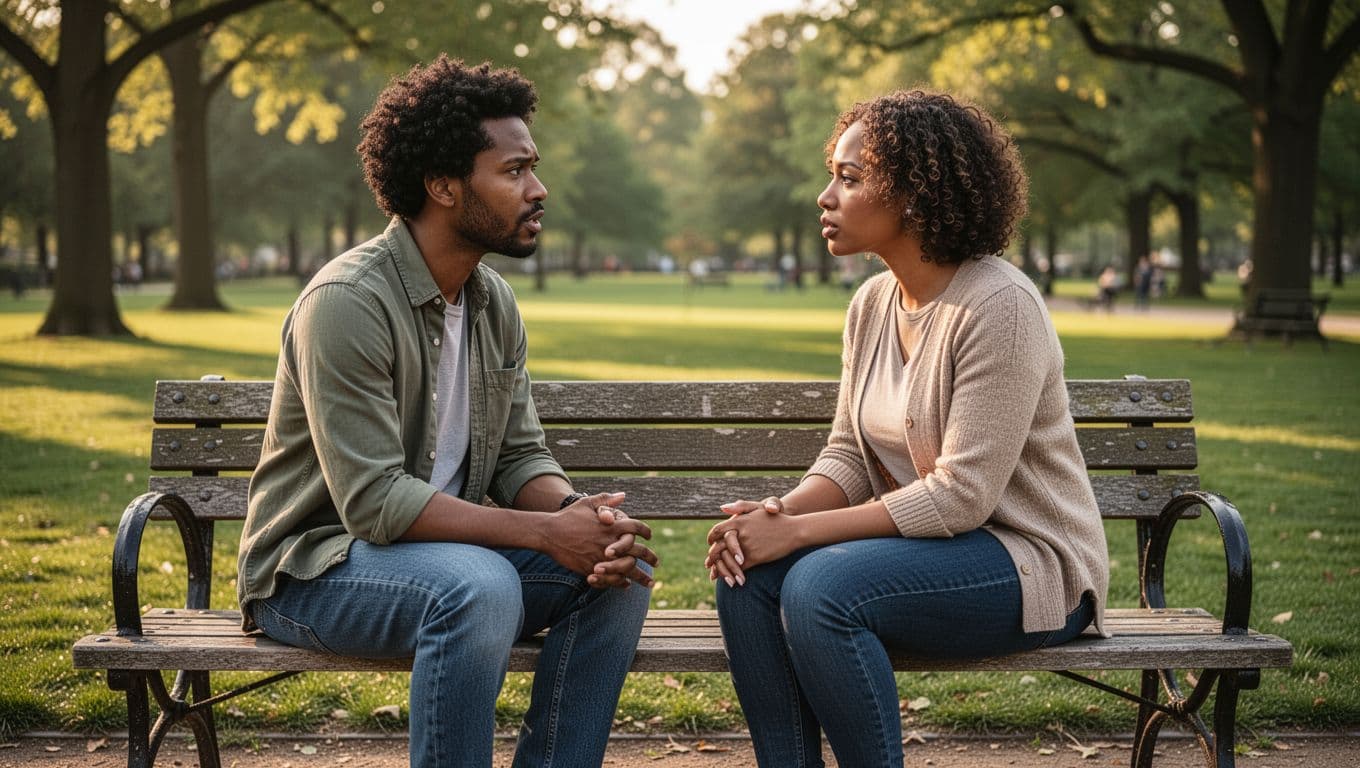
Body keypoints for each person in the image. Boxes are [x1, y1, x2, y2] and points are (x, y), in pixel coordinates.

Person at [237, 56, 657, 768]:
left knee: (618, 577)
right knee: (481, 586)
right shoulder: (347, 303)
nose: (538, 189)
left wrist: (585, 519)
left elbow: (521, 455)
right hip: (313, 572)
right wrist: (546, 534)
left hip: (437, 563)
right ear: (442, 186)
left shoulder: (492, 302)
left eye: (533, 168)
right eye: (515, 170)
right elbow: (373, 503)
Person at [704, 90, 1109, 768]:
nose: (825, 196)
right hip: (935, 554)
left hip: (1030, 564)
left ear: (916, 194)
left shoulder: (999, 306)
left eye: (850, 177)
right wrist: (774, 517)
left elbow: (961, 496)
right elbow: (849, 455)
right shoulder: (871, 303)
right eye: (833, 174)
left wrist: (798, 534)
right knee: (748, 575)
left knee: (820, 586)